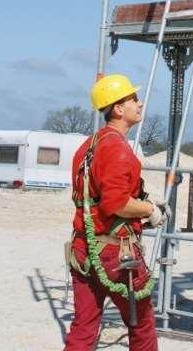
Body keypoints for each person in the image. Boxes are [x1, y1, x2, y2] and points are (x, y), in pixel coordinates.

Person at [64, 74, 167, 351]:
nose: (140, 103)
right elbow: (116, 203)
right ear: (118, 109)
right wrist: (150, 209)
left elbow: (98, 198)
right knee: (142, 324)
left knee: (84, 327)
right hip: (114, 251)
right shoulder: (118, 149)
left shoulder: (88, 146)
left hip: (83, 246)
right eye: (133, 99)